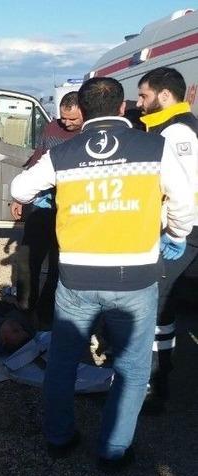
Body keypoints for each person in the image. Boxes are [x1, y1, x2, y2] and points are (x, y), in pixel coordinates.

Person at [11, 77, 194, 472]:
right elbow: (183, 203)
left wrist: (52, 192)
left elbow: (20, 187)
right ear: (123, 108)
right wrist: (175, 235)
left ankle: (59, 438)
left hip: (76, 278)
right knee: (131, 365)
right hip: (136, 278)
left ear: (85, 110)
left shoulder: (65, 152)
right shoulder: (154, 147)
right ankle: (113, 450)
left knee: (61, 360)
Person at [135, 67, 198, 414]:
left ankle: (154, 384)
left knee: (154, 308)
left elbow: (184, 191)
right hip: (183, 232)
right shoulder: (175, 127)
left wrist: (174, 234)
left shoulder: (176, 133)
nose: (140, 103)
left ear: (164, 95)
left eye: (144, 96)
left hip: (182, 233)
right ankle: (162, 372)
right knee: (165, 307)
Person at [9, 92, 83, 325]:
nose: (67, 123)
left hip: (71, 212)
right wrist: (21, 198)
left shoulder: (90, 134)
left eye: (72, 119)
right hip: (43, 207)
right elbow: (36, 160)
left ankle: (46, 315)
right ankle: (23, 307)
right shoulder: (52, 128)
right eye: (64, 118)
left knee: (58, 266)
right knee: (27, 257)